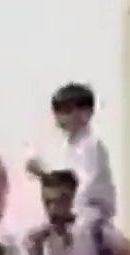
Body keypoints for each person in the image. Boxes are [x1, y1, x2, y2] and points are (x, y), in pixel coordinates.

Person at [27, 84, 116, 224]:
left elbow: (85, 187)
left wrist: (67, 207)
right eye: (58, 112)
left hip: (91, 215)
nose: (61, 118)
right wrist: (43, 174)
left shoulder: (90, 145)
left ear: (86, 113)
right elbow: (66, 180)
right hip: (73, 213)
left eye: (67, 111)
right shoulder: (68, 145)